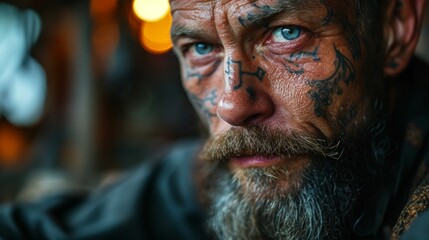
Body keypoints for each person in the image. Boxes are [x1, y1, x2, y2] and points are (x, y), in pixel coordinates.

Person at [1, 0, 429, 239]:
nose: (233, 106)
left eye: (286, 34)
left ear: (394, 29)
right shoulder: (245, 164)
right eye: (201, 49)